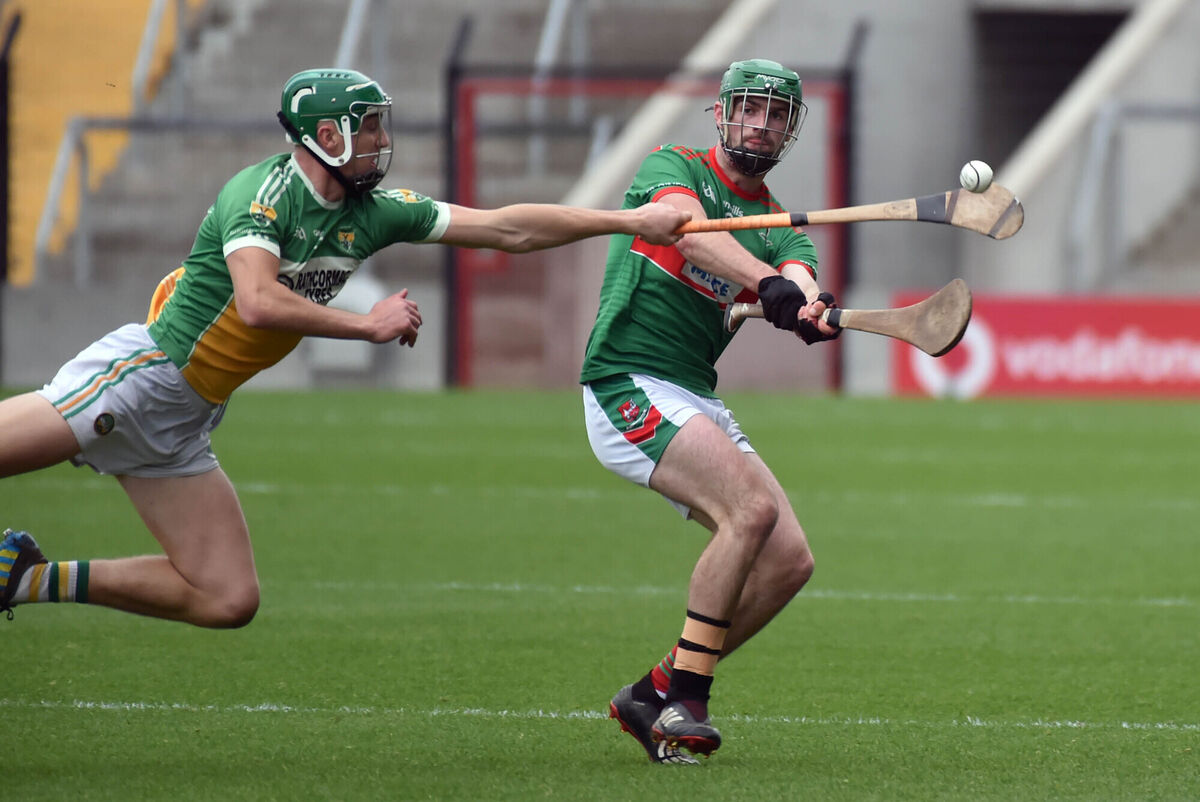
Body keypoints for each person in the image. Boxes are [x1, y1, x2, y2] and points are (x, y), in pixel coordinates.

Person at [0, 67, 689, 625]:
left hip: (185, 419)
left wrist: (631, 219)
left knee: (226, 597)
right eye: (368, 128)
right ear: (324, 134)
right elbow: (257, 302)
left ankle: (24, 579)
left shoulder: (374, 211)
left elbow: (507, 228)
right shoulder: (264, 193)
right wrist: (369, 325)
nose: (381, 141)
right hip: (138, 380)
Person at [579, 58, 841, 764]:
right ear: (722, 112)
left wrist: (805, 306)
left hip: (693, 393)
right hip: (626, 380)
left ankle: (653, 689)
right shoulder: (673, 167)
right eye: (749, 108)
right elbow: (688, 233)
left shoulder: (782, 228)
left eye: (776, 113)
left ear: (790, 129)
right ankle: (687, 701)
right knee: (749, 512)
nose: (760, 123)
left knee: (789, 559)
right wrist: (766, 282)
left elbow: (797, 273)